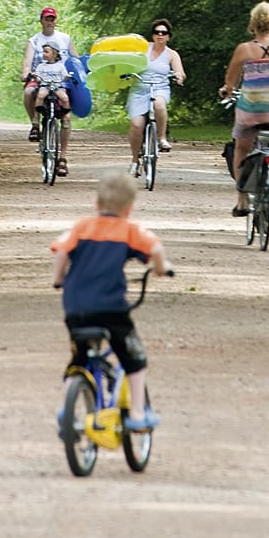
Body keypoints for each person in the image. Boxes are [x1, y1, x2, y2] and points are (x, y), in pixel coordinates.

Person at [51, 171, 173, 432]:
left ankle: (67, 411)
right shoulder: (129, 230)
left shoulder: (82, 226)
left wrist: (58, 279)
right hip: (111, 309)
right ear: (129, 209)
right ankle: (138, 414)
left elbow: (62, 250)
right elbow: (155, 249)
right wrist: (161, 268)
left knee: (79, 359)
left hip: (76, 308)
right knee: (134, 359)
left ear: (96, 204)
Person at [218, 1, 269, 218]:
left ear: (252, 23)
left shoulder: (244, 50)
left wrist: (226, 91)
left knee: (241, 149)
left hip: (252, 112)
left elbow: (230, 82)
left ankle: (242, 198)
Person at [20, 7, 77, 175]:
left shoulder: (65, 39)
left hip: (61, 82)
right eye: (47, 19)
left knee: (66, 118)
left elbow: (76, 59)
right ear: (41, 21)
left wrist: (79, 76)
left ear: (56, 21)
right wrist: (26, 73)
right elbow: (27, 62)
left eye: (52, 19)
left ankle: (62, 158)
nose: (50, 22)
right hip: (41, 79)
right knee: (29, 93)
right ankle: (35, 125)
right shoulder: (34, 41)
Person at [126, 18, 186, 176]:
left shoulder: (171, 54)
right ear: (152, 35)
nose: (160, 35)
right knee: (136, 125)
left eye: (163, 33)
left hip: (160, 87)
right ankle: (134, 161)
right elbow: (127, 63)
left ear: (168, 36)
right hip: (139, 89)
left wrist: (178, 76)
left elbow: (179, 71)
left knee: (159, 104)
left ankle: (161, 138)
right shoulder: (141, 49)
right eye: (156, 32)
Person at [31, 42, 71, 114]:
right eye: (43, 51)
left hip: (57, 86)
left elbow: (64, 77)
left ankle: (64, 113)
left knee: (65, 98)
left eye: (46, 52)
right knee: (40, 96)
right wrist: (35, 76)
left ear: (54, 54)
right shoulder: (41, 66)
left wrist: (66, 77)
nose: (44, 54)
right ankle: (39, 111)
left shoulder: (60, 66)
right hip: (45, 85)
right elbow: (38, 79)